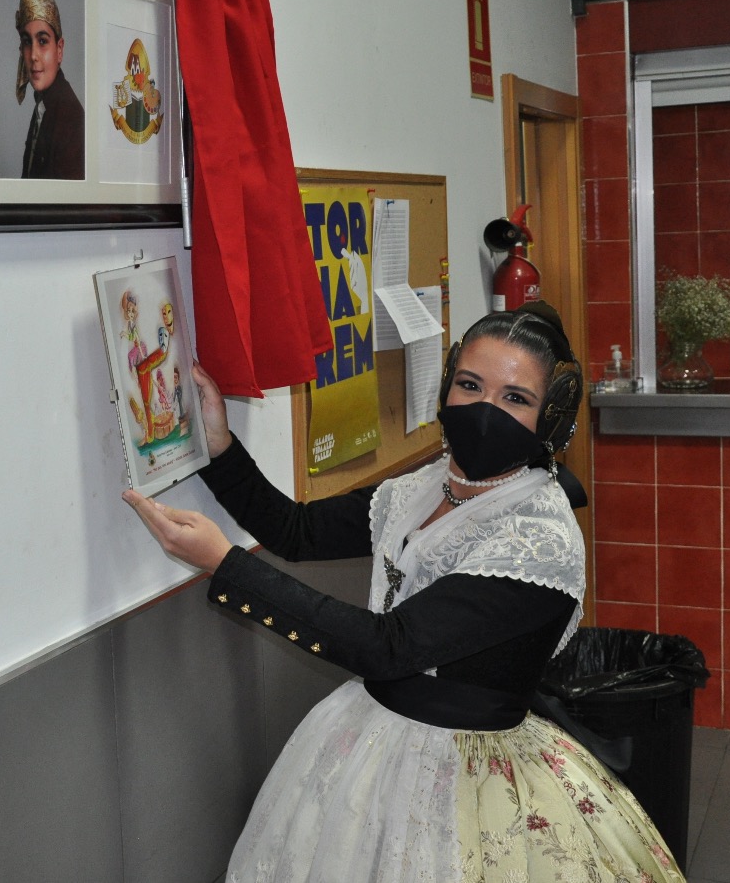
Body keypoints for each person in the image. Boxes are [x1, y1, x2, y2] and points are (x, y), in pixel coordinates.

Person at [122, 303, 683, 882]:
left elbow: (389, 647)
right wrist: (219, 446)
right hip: (370, 736)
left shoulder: (539, 537)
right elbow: (296, 530)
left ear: (550, 420)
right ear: (447, 385)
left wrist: (226, 566)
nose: (485, 410)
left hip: (470, 778)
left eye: (515, 398)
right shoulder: (426, 486)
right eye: (471, 385)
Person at [13, 0, 83, 180]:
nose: (33, 55)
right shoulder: (43, 105)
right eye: (27, 42)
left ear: (59, 50)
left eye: (42, 41)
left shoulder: (70, 120)